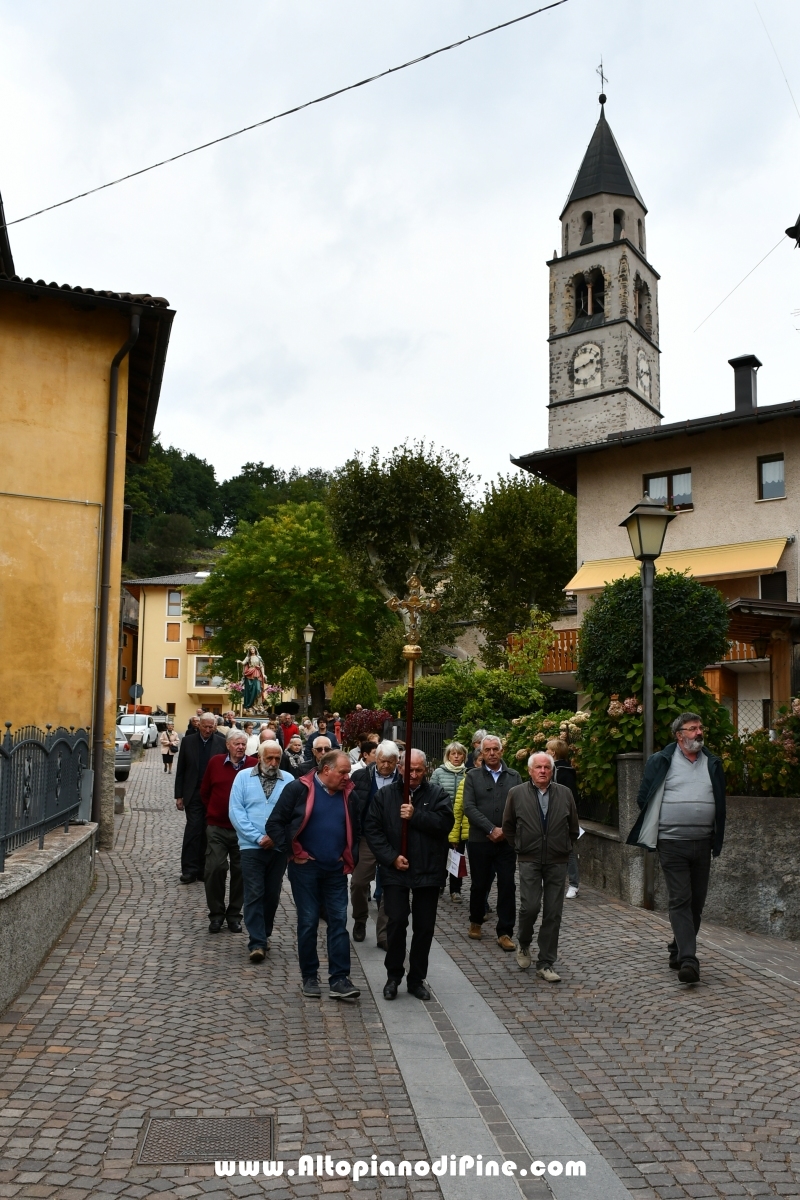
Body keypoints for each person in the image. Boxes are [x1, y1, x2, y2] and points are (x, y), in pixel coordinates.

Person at [627, 712, 726, 985]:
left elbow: (719, 799)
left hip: (703, 843)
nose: (699, 732)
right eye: (692, 729)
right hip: (672, 843)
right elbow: (643, 798)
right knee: (681, 899)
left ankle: (677, 948)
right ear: (679, 735)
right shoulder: (661, 761)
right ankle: (689, 961)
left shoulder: (713, 763)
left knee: (696, 903)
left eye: (700, 727)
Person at [266, 749, 361, 1001]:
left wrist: (349, 855)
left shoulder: (349, 795)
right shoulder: (299, 789)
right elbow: (274, 824)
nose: (346, 777)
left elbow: (358, 829)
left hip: (336, 869)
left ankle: (339, 979)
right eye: (342, 772)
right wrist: (292, 851)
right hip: (305, 869)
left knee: (339, 923)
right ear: (326, 769)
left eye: (348, 773)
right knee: (308, 922)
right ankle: (309, 976)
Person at [365, 749, 454, 1001]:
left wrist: (417, 816)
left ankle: (416, 978)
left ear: (425, 770)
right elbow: (373, 830)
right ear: (400, 768)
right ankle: (393, 975)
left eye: (418, 770)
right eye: (408, 769)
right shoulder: (385, 796)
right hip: (396, 870)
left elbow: (444, 825)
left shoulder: (438, 794)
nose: (413, 775)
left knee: (424, 927)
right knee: (396, 922)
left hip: (428, 869)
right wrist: (391, 857)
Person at [503, 751, 579, 982]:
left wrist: (564, 846)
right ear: (530, 770)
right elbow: (508, 826)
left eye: (547, 767)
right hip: (529, 858)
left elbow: (573, 827)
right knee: (530, 907)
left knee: (553, 913)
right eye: (539, 767)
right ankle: (524, 943)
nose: (543, 771)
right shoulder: (516, 793)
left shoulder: (564, 793)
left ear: (552, 770)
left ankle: (546, 962)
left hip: (557, 859)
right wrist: (520, 845)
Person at [229, 739, 293, 962]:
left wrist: (276, 838)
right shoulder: (243, 778)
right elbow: (236, 812)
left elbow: (295, 816)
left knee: (272, 894)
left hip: (277, 849)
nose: (274, 763)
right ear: (259, 757)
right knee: (254, 892)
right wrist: (257, 837)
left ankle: (264, 933)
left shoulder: (289, 781)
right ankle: (257, 942)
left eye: (277, 758)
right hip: (250, 847)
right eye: (270, 758)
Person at [462, 735, 522, 951]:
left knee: (507, 884)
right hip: (480, 840)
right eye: (487, 750)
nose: (492, 753)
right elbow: (469, 807)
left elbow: (521, 806)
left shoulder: (514, 776)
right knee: (480, 884)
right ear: (481, 752)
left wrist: (504, 831)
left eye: (495, 749)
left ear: (502, 751)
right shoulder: (472, 776)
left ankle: (505, 932)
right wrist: (490, 828)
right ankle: (476, 921)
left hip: (506, 842)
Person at [199, 729, 256, 933]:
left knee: (241, 872)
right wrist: (216, 811)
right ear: (228, 745)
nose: (240, 747)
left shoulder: (253, 766)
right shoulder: (215, 763)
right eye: (236, 744)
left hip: (244, 830)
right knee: (215, 868)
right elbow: (205, 792)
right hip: (217, 827)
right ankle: (216, 914)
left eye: (243, 744)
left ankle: (234, 915)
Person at [349, 740, 400, 947]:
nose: (386, 765)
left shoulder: (403, 780)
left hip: (392, 840)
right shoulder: (360, 777)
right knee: (359, 882)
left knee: (390, 886)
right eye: (382, 761)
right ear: (374, 759)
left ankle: (384, 934)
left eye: (390, 762)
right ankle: (360, 919)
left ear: (397, 761)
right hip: (367, 837)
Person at [174, 713, 227, 884]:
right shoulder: (188, 741)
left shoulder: (221, 742)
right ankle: (189, 869)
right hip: (193, 792)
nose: (208, 730)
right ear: (199, 725)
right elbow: (181, 769)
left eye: (211, 727)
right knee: (193, 830)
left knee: (208, 831)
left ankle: (204, 869)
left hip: (213, 794)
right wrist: (178, 795)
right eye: (205, 726)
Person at [547, 738, 580, 899]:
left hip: (561, 816)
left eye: (548, 750)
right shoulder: (555, 769)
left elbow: (569, 797)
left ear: (553, 752)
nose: (546, 752)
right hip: (551, 814)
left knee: (569, 850)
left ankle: (573, 884)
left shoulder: (562, 771)